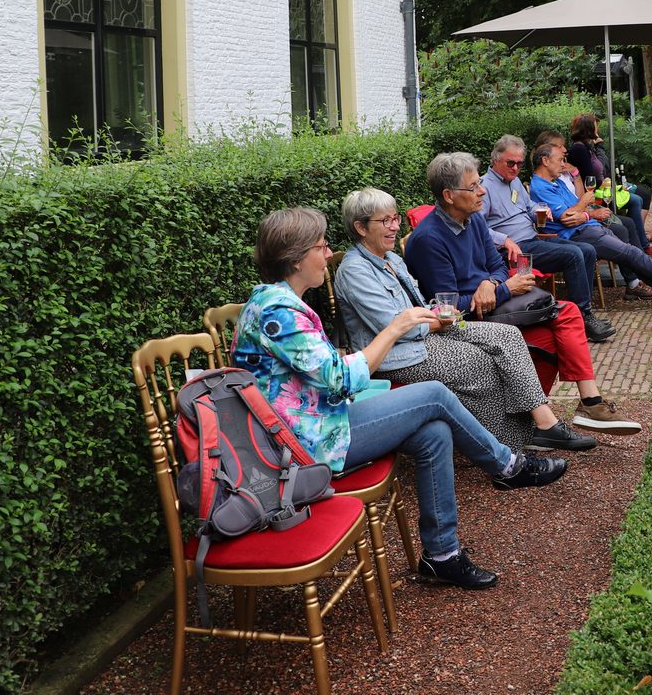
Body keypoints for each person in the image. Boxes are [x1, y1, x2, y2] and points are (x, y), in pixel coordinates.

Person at [231, 207, 567, 590]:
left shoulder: (276, 302)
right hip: (303, 446)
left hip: (318, 424)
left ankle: (442, 555)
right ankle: (508, 467)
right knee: (434, 394)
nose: (327, 254)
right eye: (321, 247)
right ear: (295, 258)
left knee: (434, 432)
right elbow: (341, 381)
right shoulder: (280, 313)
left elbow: (318, 377)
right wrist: (395, 328)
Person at [334, 187, 597, 452]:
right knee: (479, 361)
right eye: (385, 221)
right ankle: (509, 450)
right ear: (361, 227)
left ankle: (542, 424)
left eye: (395, 218)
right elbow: (397, 329)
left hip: (426, 332)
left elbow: (419, 305)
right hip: (396, 354)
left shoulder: (391, 258)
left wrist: (442, 312)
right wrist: (439, 320)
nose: (394, 227)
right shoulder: (355, 270)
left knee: (508, 335)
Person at [404, 152, 642, 434]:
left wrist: (491, 282)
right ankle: (571, 410)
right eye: (473, 187)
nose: (482, 191)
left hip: (493, 307)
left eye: (480, 183)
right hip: (465, 323)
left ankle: (568, 409)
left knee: (565, 316)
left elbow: (497, 265)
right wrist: (504, 289)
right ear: (449, 195)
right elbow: (448, 309)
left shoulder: (474, 219)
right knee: (559, 322)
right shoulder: (429, 240)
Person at [480, 135, 615, 344]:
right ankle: (583, 319)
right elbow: (477, 228)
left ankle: (584, 313)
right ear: (496, 159)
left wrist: (540, 211)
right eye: (511, 163)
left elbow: (529, 207)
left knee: (587, 250)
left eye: (519, 164)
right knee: (573, 254)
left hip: (533, 239)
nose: (516, 168)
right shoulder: (484, 187)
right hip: (514, 251)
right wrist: (504, 239)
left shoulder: (515, 181)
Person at [529, 142, 652, 300]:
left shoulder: (556, 182)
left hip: (589, 228)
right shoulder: (541, 187)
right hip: (577, 234)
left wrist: (584, 213)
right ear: (545, 161)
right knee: (630, 253)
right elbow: (568, 217)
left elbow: (576, 210)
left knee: (629, 256)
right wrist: (585, 206)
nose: (564, 164)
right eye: (560, 160)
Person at [567, 112, 652, 253]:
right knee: (635, 200)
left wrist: (597, 148)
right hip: (595, 194)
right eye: (595, 126)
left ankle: (639, 242)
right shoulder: (580, 149)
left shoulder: (587, 147)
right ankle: (640, 244)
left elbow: (603, 168)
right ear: (589, 128)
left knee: (641, 196)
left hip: (603, 187)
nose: (597, 129)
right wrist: (599, 147)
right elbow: (591, 178)